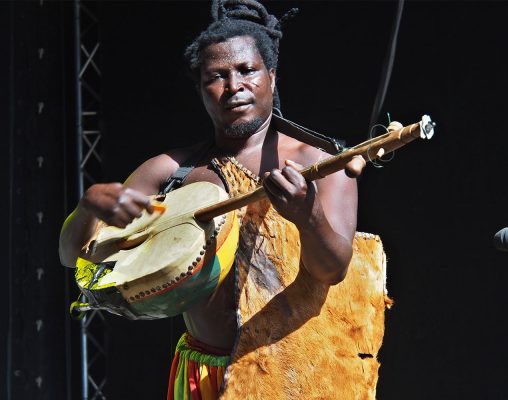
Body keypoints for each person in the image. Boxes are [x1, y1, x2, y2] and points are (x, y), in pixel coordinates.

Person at [59, 1, 359, 398]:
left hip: (294, 375)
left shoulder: (320, 164)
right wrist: (87, 207)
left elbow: (333, 270)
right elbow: (73, 256)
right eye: (217, 76)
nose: (234, 86)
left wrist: (309, 217)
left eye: (247, 70)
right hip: (204, 375)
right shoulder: (172, 172)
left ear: (271, 75)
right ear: (200, 90)